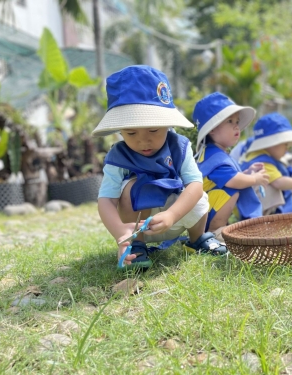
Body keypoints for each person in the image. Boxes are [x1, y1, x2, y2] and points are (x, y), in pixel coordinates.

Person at [92, 65, 227, 269]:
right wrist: (120, 232)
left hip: (177, 213)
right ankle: (137, 246)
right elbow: (106, 200)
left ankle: (197, 239)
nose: (143, 141)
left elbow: (196, 185)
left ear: (167, 124)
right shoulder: (118, 157)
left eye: (153, 130)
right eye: (131, 133)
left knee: (197, 194)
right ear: (120, 130)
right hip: (138, 225)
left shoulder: (179, 146)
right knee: (129, 188)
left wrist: (172, 215)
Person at [193, 92, 269, 239]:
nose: (236, 127)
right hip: (202, 214)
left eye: (237, 121)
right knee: (231, 188)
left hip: (207, 208)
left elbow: (232, 175)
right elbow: (233, 180)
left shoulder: (217, 153)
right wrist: (255, 179)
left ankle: (219, 227)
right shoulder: (214, 157)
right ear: (212, 129)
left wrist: (247, 173)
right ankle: (215, 231)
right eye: (230, 121)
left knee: (234, 185)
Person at [240, 113, 292, 214]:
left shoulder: (271, 156)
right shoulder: (261, 161)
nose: (287, 148)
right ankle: (264, 222)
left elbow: (285, 168)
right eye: (285, 144)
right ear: (272, 144)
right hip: (251, 211)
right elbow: (278, 182)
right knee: (270, 187)